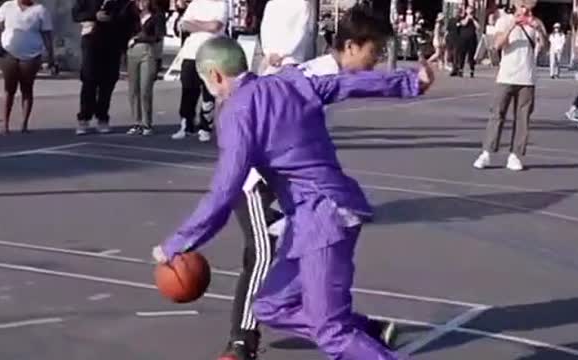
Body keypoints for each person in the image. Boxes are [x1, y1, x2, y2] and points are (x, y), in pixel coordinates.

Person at [152, 36, 434, 360]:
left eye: (206, 81)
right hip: (311, 216)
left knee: (331, 331)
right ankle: (366, 333)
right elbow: (342, 84)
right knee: (271, 306)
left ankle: (353, 336)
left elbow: (225, 189)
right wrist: (410, 81)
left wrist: (177, 243)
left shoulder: (236, 113)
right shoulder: (288, 83)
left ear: (215, 76)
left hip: (322, 217)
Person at [216, 6, 397, 360]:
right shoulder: (314, 73)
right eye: (374, 53)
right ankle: (241, 342)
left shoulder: (320, 71)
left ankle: (358, 330)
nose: (376, 63)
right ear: (350, 47)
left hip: (292, 184)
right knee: (262, 253)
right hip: (254, 177)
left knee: (285, 292)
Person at [473, 0, 547, 172]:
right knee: (497, 114)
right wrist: (513, 25)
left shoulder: (537, 22)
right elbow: (497, 44)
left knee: (523, 119)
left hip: (527, 77)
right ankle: (487, 152)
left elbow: (544, 48)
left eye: (527, 5)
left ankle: (515, 155)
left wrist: (538, 30)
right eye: (521, 4)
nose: (524, 8)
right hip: (506, 75)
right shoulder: (504, 20)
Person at [72, 0, 137, 135]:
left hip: (113, 42)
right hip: (91, 40)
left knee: (108, 82)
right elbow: (76, 14)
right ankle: (84, 118)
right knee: (89, 79)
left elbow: (129, 21)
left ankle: (102, 117)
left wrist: (113, 19)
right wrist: (94, 15)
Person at [0, 0, 56, 134]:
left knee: (27, 88)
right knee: (9, 88)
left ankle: (24, 124)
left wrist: (51, 56)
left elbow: (47, 35)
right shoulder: (7, 6)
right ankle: (5, 124)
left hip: (32, 54)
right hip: (8, 51)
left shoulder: (40, 10)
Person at [170, 0, 228, 142]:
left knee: (209, 92)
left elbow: (215, 26)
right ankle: (186, 125)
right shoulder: (195, 4)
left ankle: (205, 127)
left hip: (212, 53)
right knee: (188, 89)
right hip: (190, 53)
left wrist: (195, 24)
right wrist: (203, 25)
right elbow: (183, 25)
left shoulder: (221, 4)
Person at [126, 0, 165, 136]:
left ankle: (146, 123)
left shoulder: (157, 15)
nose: (141, 3)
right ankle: (136, 123)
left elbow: (158, 36)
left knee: (145, 89)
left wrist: (138, 38)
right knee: (133, 89)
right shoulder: (131, 15)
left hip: (148, 52)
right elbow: (118, 18)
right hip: (132, 53)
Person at [259, 0, 313, 75]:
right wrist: (280, 54)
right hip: (290, 59)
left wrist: (269, 53)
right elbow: (300, 32)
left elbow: (264, 30)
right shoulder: (302, 4)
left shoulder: (271, 4)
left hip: (274, 60)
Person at [457, 6, 480, 78]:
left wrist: (473, 19)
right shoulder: (462, 17)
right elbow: (463, 23)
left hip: (472, 39)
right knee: (462, 55)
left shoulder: (475, 18)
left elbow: (478, 27)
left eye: (471, 10)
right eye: (469, 10)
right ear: (466, 11)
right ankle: (461, 69)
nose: (470, 11)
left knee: (471, 56)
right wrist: (467, 17)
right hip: (463, 39)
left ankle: (472, 70)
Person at [447, 5, 464, 76]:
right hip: (450, 38)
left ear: (459, 12)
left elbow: (462, 29)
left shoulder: (461, 20)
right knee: (450, 55)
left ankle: (455, 69)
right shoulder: (451, 20)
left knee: (456, 55)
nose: (455, 13)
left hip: (458, 39)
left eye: (457, 12)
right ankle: (454, 67)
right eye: (454, 12)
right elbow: (448, 29)